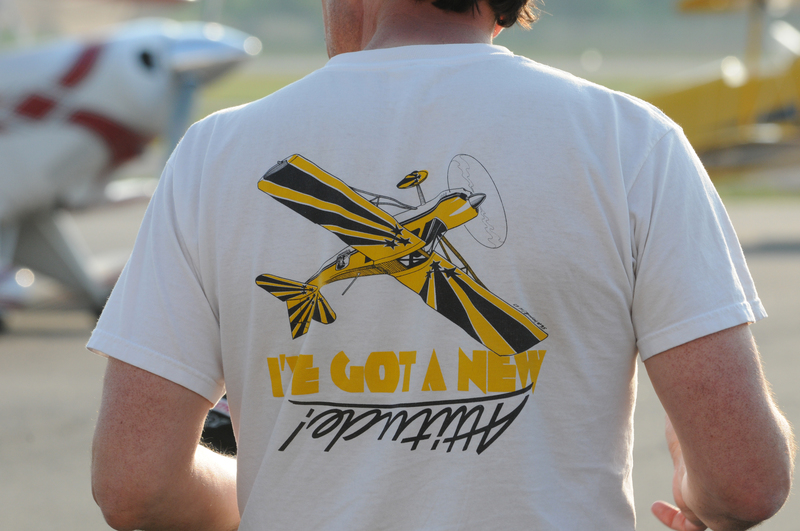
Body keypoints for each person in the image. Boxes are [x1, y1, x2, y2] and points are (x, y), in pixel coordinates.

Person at [89, 1, 795, 529]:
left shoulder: (215, 153)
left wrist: (254, 494)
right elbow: (745, 481)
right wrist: (698, 492)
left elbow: (135, 485)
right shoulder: (633, 141)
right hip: (383, 251)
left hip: (400, 251)